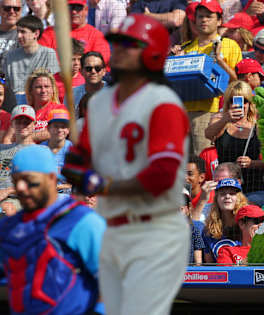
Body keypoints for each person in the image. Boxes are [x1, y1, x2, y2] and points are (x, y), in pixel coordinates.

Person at [62, 14, 190, 315]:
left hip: (154, 230)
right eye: (117, 43)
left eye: (130, 45)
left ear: (153, 53)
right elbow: (84, 164)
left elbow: (162, 175)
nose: (118, 49)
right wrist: (77, 166)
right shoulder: (99, 103)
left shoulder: (163, 103)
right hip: (111, 231)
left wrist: (105, 185)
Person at [0, 145, 105, 315]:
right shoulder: (8, 227)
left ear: (51, 178)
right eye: (15, 180)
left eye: (28, 180)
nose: (20, 187)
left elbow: (112, 280)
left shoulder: (81, 221)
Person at [179, 0, 243, 156]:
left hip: (210, 112)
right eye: (200, 16)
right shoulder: (185, 47)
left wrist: (220, 60)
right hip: (183, 113)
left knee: (203, 160)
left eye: (209, 16)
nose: (204, 20)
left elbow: (240, 83)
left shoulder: (229, 45)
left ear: (219, 20)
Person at [205, 80, 264, 206]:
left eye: (244, 101)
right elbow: (208, 134)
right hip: (226, 190)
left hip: (254, 189)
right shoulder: (220, 120)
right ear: (228, 103)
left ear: (250, 103)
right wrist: (226, 118)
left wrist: (252, 163)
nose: (240, 105)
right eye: (234, 100)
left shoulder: (258, 124)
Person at [39, 0, 111, 68]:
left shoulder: (96, 36)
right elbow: (40, 60)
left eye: (78, 8)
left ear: (86, 10)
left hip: (85, 79)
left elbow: (100, 65)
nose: (73, 12)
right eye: (70, 7)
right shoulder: (49, 33)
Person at [3, 15, 59, 97]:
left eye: (23, 32)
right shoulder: (10, 56)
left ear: (36, 34)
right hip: (15, 101)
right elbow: (4, 81)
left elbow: (53, 83)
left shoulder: (49, 54)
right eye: (18, 32)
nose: (18, 36)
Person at [0, 105, 36, 216]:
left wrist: (8, 191)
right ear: (12, 125)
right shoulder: (2, 149)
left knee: (8, 209)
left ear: (34, 125)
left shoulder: (40, 152)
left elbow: (40, 185)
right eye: (19, 122)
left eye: (26, 122)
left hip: (20, 199)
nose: (22, 126)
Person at [202, 178, 247, 263]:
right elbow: (209, 266)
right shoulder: (208, 231)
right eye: (222, 194)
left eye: (232, 193)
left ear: (239, 198)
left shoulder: (248, 225)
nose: (227, 196)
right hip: (219, 275)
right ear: (216, 199)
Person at [24, 68, 66, 143]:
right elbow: (12, 136)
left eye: (47, 86)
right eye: (38, 87)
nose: (43, 91)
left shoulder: (59, 109)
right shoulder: (25, 111)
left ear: (53, 89)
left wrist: (25, 138)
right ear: (31, 91)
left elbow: (56, 131)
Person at [40, 108, 73, 193]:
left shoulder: (73, 149)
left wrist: (61, 186)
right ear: (48, 128)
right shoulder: (41, 149)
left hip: (67, 194)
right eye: (56, 126)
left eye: (63, 127)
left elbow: (79, 181)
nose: (59, 130)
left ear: (68, 129)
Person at [54, 38, 86, 106]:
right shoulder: (52, 81)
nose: (77, 63)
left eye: (79, 59)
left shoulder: (85, 79)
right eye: (73, 59)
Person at [180, 189, 205, 265]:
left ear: (188, 208)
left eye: (180, 209)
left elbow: (198, 260)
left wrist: (198, 270)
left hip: (189, 272)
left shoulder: (194, 230)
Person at [0, 0, 22, 70]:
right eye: (7, 8)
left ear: (21, 11)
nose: (12, 11)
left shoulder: (26, 36)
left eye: (16, 9)